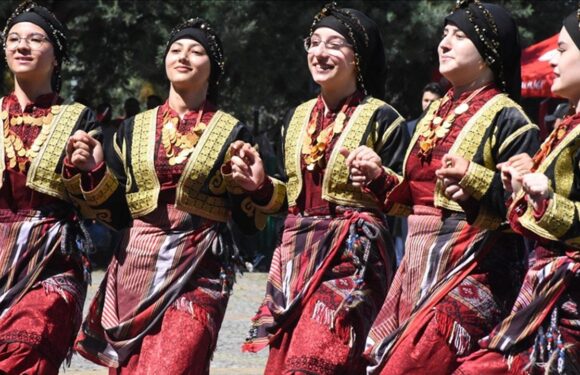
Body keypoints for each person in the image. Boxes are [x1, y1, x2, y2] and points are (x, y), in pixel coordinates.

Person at [71, 18, 263, 374]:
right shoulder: (131, 129)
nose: (183, 56)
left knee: (173, 363)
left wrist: (255, 188)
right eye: (175, 49)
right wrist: (96, 171)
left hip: (198, 268)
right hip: (135, 266)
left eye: (197, 51)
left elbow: (248, 223)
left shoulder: (232, 130)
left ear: (213, 69)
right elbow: (115, 213)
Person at [365, 1, 540, 374]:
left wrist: (476, 180)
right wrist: (379, 175)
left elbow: (526, 207)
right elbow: (412, 200)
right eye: (444, 34)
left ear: (489, 52)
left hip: (474, 266)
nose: (444, 44)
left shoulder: (511, 119)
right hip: (417, 262)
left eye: (459, 36)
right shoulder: (437, 112)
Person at [238, 3, 408, 373]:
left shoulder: (384, 118)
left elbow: (406, 203)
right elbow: (293, 199)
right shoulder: (295, 117)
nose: (319, 52)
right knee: (286, 362)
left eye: (334, 44)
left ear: (358, 56)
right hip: (296, 258)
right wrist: (262, 185)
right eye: (314, 43)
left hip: (353, 256)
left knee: (316, 359)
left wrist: (379, 177)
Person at [454, 9, 580, 374]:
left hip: (567, 297)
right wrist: (510, 187)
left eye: (562, 48)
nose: (551, 58)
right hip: (543, 287)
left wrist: (544, 199)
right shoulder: (564, 125)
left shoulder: (515, 117)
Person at [0, 2, 97, 374]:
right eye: (14, 39)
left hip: (50, 262)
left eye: (35, 39)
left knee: (27, 349)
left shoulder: (79, 118)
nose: (22, 46)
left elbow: (106, 208)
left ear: (56, 58)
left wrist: (93, 170)